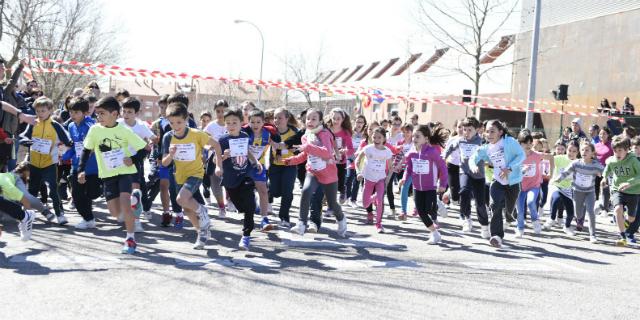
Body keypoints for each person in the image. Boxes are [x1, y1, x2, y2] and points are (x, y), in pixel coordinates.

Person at [77, 96, 147, 254]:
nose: (98, 117)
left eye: (102, 113)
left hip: (125, 172)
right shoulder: (95, 130)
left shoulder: (124, 130)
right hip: (108, 175)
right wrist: (81, 170)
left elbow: (143, 149)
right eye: (97, 114)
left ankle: (130, 239)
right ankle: (135, 204)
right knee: (116, 213)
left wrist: (133, 159)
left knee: (125, 205)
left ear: (114, 114)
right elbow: (86, 151)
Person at [285, 108, 348, 237]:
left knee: (332, 203)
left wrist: (307, 147)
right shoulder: (305, 136)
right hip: (313, 171)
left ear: (320, 121)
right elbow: (305, 155)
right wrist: (291, 160)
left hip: (329, 174)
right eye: (308, 118)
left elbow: (326, 152)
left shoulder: (324, 134)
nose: (310, 121)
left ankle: (341, 218)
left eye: (314, 119)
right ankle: (301, 224)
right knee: (306, 191)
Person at [162, 102, 215, 249]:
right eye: (172, 123)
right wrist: (171, 155)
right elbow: (165, 163)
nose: (176, 126)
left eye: (179, 122)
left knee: (181, 199)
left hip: (196, 173)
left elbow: (216, 144)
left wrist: (219, 161)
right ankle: (201, 232)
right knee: (187, 208)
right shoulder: (168, 137)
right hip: (179, 175)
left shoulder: (196, 133)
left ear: (186, 120)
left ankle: (202, 211)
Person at [470, 120, 525, 248]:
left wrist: (510, 168)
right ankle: (496, 236)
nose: (489, 134)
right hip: (497, 181)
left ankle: (510, 215)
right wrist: (473, 165)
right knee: (495, 206)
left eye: (492, 131)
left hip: (513, 181)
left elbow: (521, 155)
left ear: (500, 132)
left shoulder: (509, 142)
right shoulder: (486, 148)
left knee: (509, 210)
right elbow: (474, 157)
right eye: (487, 131)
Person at [214, 107, 263, 250]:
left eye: (234, 122)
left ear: (241, 123)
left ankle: (246, 236)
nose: (231, 125)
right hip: (230, 179)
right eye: (228, 123)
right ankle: (248, 204)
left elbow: (247, 151)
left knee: (249, 206)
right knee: (240, 207)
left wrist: (255, 161)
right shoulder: (222, 140)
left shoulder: (244, 136)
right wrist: (224, 157)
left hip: (245, 174)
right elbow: (215, 160)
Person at [20, 97, 73, 224]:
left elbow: (66, 138)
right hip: (34, 163)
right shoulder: (33, 123)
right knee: (32, 190)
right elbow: (22, 136)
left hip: (50, 163)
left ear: (50, 110)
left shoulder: (55, 125)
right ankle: (27, 215)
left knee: (53, 190)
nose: (40, 114)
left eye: (43, 111)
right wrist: (25, 141)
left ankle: (60, 215)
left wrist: (69, 143)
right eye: (37, 111)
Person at [399, 125, 448, 244]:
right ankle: (435, 234)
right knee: (421, 212)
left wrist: (443, 183)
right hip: (417, 187)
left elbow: (442, 167)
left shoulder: (432, 152)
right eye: (414, 135)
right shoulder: (412, 152)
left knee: (428, 209)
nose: (414, 138)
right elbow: (409, 168)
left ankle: (437, 204)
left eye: (418, 136)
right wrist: (404, 178)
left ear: (426, 139)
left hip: (430, 187)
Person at [445, 117, 489, 236]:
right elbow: (450, 148)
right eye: (465, 130)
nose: (467, 133)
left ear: (477, 130)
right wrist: (443, 155)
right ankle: (467, 219)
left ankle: (484, 225)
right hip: (464, 172)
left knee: (480, 203)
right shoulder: (460, 141)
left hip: (478, 175)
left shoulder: (481, 141)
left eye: (470, 130)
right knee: (463, 192)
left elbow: (489, 153)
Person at [118, 97, 156, 231]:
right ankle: (123, 212)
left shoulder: (141, 126)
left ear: (137, 113)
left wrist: (147, 144)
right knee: (121, 192)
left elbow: (152, 140)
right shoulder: (117, 124)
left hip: (134, 163)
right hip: (117, 163)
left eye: (130, 112)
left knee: (135, 192)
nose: (126, 115)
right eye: (124, 111)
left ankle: (136, 220)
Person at [554, 141, 604, 242]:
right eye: (582, 150)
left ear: (592, 153)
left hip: (590, 192)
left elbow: (606, 172)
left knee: (590, 212)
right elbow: (565, 172)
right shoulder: (576, 163)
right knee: (578, 213)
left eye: (587, 150)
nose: (584, 152)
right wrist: (556, 179)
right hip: (577, 191)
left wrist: (605, 178)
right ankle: (579, 218)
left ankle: (592, 235)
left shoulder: (596, 165)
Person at [63, 97, 101, 229]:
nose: (72, 115)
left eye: (76, 112)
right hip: (77, 166)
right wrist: (66, 154)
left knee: (93, 194)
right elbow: (75, 145)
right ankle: (88, 219)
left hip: (93, 168)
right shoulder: (71, 126)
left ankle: (103, 190)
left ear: (85, 112)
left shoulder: (92, 126)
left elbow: (97, 144)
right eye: (71, 112)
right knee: (77, 194)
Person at [601, 136, 640, 246]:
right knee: (618, 209)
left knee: (631, 219)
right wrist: (604, 178)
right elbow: (608, 168)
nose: (617, 153)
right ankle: (622, 237)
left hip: (634, 191)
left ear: (627, 150)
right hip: (617, 189)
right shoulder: (612, 160)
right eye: (615, 150)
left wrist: (629, 183)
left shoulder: (633, 160)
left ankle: (625, 220)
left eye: (620, 150)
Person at [244, 109, 279, 231]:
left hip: (260, 165)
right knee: (246, 193)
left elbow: (275, 145)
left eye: (258, 122)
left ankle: (264, 219)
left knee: (263, 191)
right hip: (245, 165)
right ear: (248, 122)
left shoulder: (267, 134)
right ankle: (248, 217)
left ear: (263, 122)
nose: (255, 125)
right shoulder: (245, 133)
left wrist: (281, 150)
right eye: (252, 122)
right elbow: (245, 150)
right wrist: (254, 160)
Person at [354, 127, 394, 233]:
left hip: (380, 179)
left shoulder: (387, 152)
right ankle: (375, 197)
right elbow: (357, 160)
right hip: (368, 179)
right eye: (374, 137)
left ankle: (379, 224)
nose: (376, 139)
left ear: (384, 139)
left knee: (380, 200)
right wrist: (358, 172)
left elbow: (391, 168)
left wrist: (387, 179)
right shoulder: (368, 148)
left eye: (379, 137)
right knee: (365, 204)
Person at [514, 129, 550, 238]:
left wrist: (551, 172)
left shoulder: (537, 155)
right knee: (520, 210)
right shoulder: (516, 157)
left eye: (530, 143)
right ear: (519, 144)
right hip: (520, 187)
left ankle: (535, 220)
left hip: (534, 186)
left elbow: (551, 157)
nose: (528, 145)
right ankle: (520, 228)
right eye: (525, 143)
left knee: (530, 202)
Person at [268, 107, 299, 227]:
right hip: (274, 166)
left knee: (287, 191)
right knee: (275, 192)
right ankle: (270, 193)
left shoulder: (294, 132)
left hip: (289, 165)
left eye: (280, 118)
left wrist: (292, 149)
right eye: (275, 117)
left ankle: (284, 217)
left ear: (287, 119)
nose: (276, 120)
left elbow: (299, 149)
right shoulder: (270, 132)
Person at [546, 140, 579, 234]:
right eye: (569, 150)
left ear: (578, 152)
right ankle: (551, 219)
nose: (571, 153)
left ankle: (567, 227)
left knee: (571, 213)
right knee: (556, 198)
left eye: (574, 151)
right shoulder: (560, 158)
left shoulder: (578, 163)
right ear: (566, 150)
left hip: (568, 188)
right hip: (556, 185)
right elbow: (548, 157)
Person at [204, 99, 228, 217]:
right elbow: (202, 140)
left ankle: (231, 201)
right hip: (214, 158)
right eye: (218, 111)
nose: (221, 114)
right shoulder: (211, 126)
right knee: (215, 185)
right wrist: (209, 147)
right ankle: (221, 207)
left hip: (229, 158)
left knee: (230, 183)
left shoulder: (232, 123)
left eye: (223, 111)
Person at [0, 162, 36, 241]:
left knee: (24, 206)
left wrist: (26, 219)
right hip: (8, 180)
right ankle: (24, 217)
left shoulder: (8, 187)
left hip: (11, 182)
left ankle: (25, 217)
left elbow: (26, 201)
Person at [345, 115, 367, 208]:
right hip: (350, 157)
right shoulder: (350, 132)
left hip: (360, 160)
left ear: (364, 124)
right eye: (358, 122)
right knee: (349, 177)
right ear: (355, 122)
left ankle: (353, 200)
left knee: (357, 180)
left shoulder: (365, 134)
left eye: (361, 122)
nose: (359, 124)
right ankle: (347, 197)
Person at [595, 127, 613, 214]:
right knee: (595, 189)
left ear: (608, 135)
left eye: (604, 134)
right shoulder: (597, 145)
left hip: (607, 171)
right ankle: (597, 205)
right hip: (596, 170)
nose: (602, 135)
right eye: (600, 134)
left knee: (605, 190)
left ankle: (605, 209)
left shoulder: (611, 145)